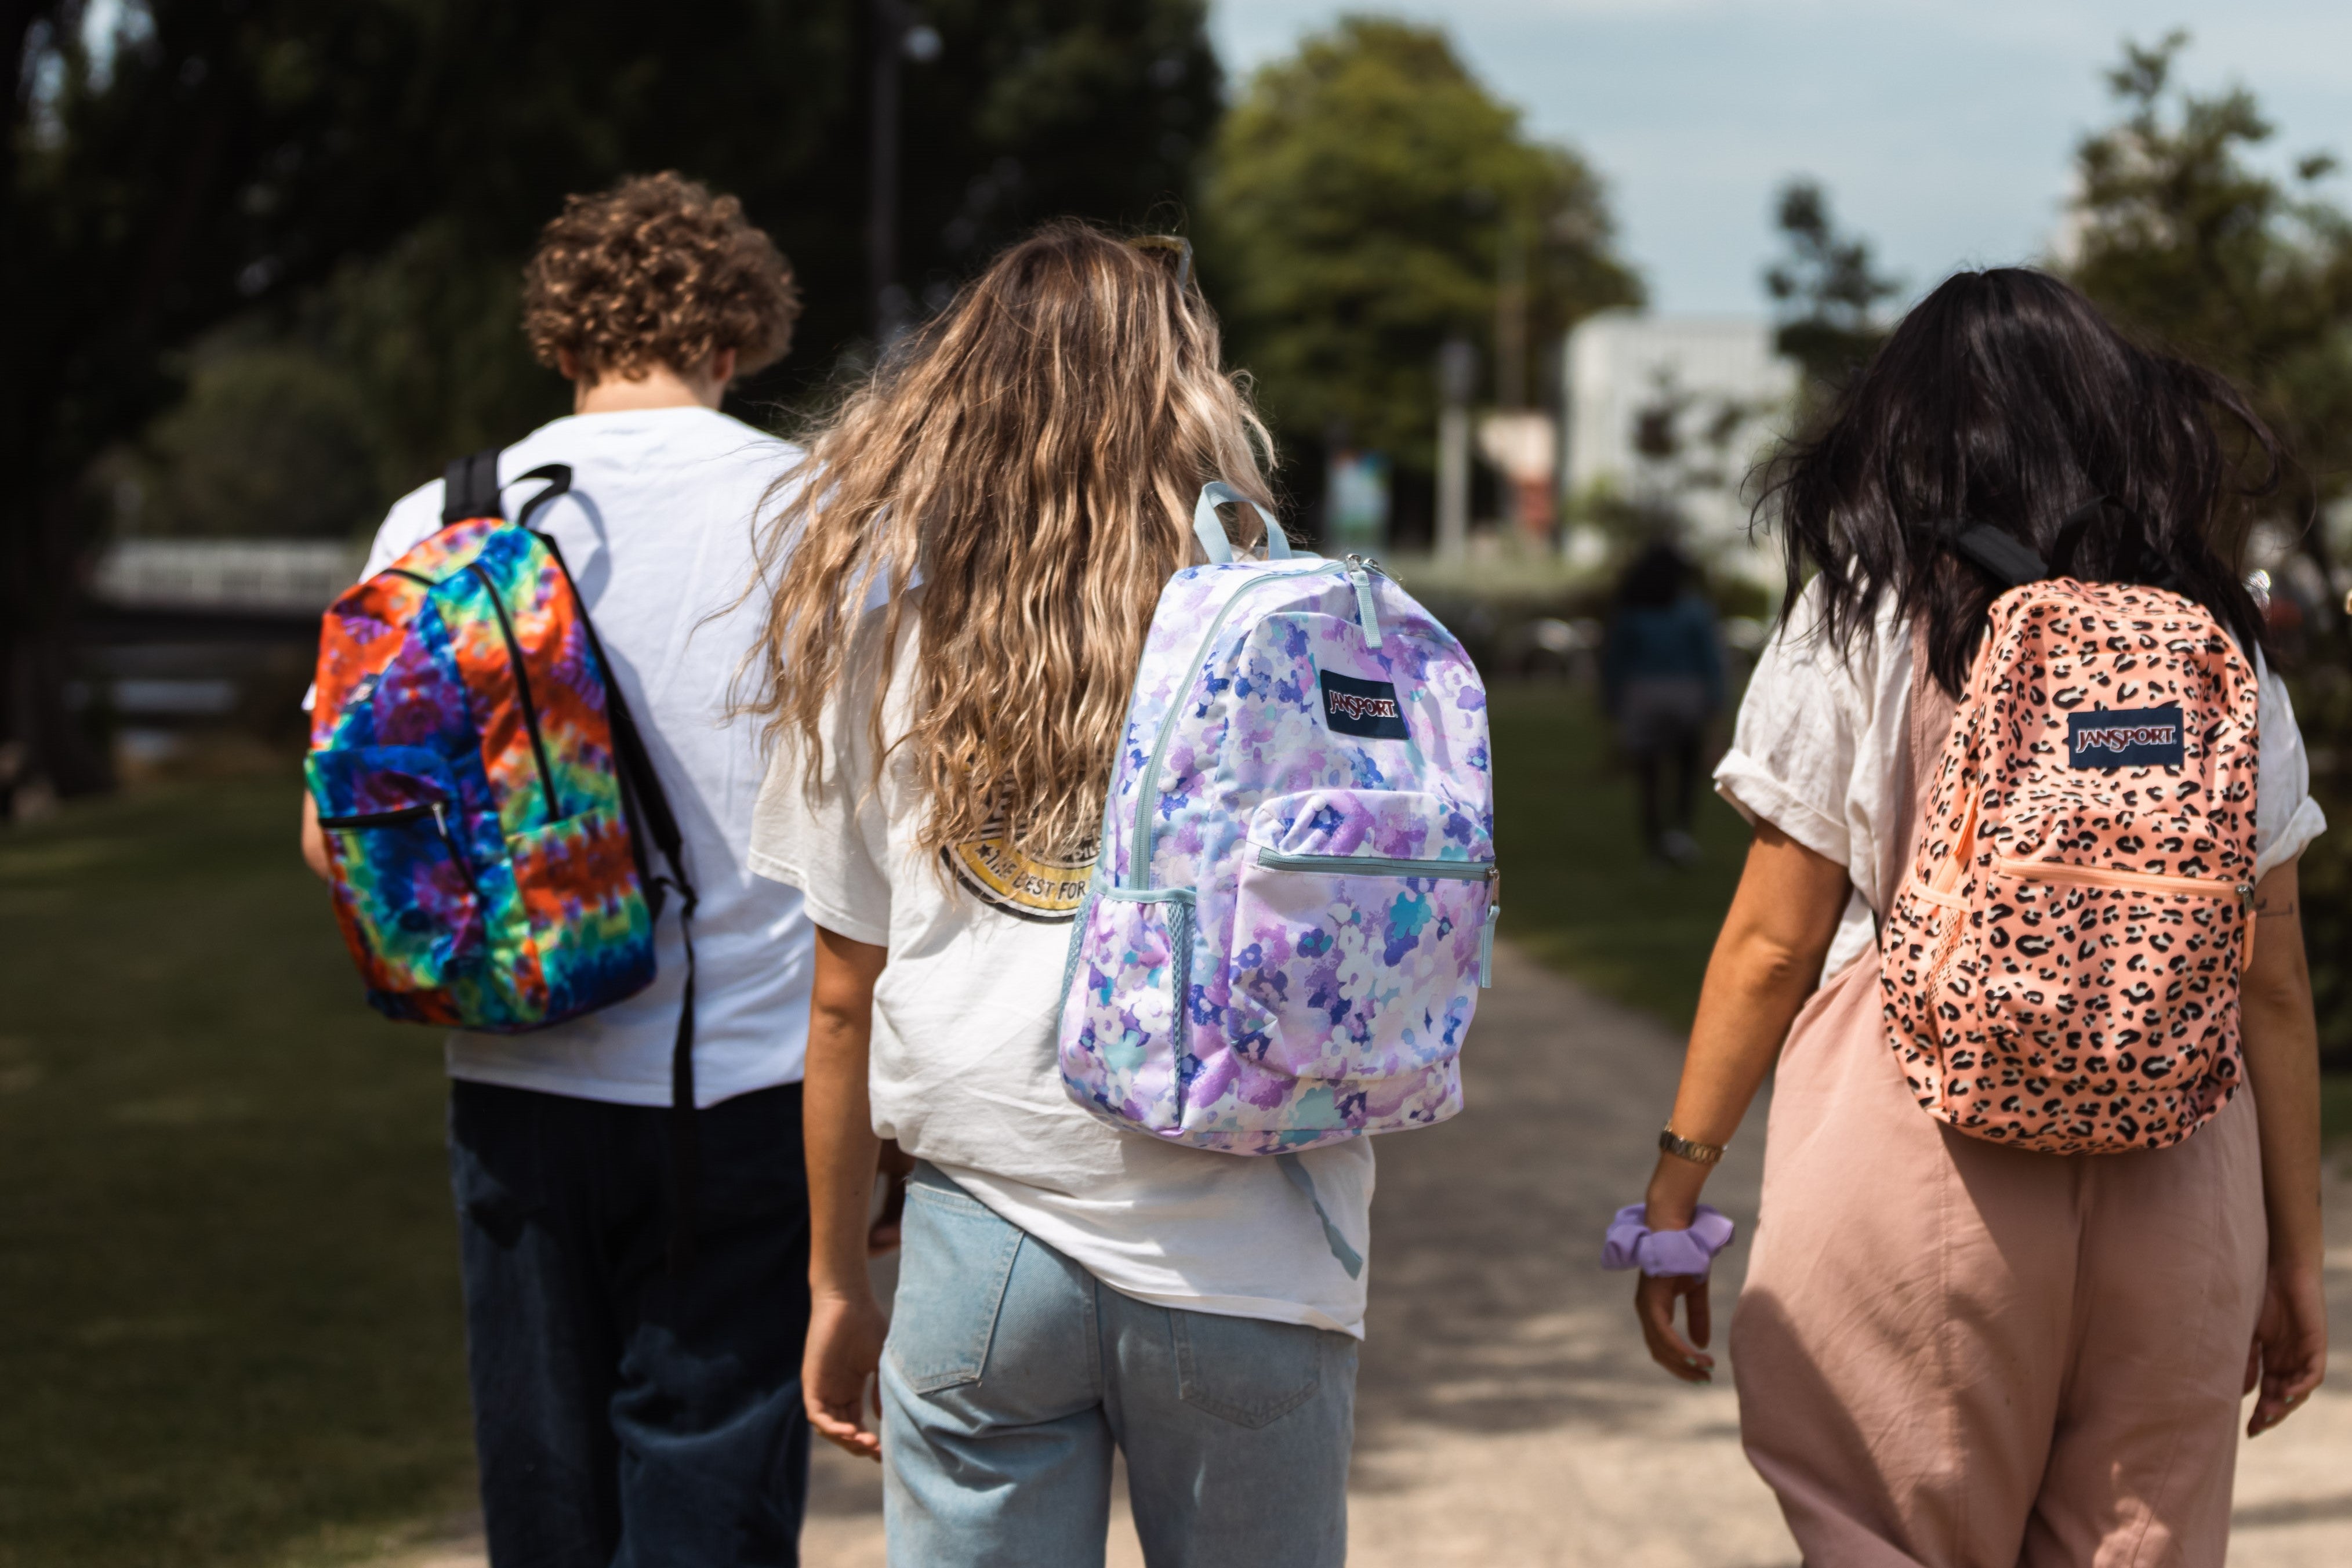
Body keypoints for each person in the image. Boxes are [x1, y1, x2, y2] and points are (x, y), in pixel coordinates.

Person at [1622, 270, 2329, 1566]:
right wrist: (2294, 1254)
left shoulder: (1866, 617)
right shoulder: (2217, 640)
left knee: (1894, 1528)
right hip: (2180, 1151)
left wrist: (1677, 1184)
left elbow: (1775, 941)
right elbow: (2271, 983)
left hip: (1925, 1137)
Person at [744, 223, 1365, 1567]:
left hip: (984, 1241)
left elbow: (841, 999)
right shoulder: (1271, 612)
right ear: (1193, 392)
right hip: (1246, 1241)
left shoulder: (874, 617)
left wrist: (836, 1282)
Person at [300, 172, 818, 1566]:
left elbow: (333, 826)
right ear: (735, 333)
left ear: (565, 334)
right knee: (710, 1484)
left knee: (545, 1508)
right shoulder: (818, 509)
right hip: (745, 1078)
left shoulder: (442, 515)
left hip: (513, 1074)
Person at [1600, 539, 1723, 865]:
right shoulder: (1693, 607)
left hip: (1642, 695)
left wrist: (1611, 701)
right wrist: (1716, 700)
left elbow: (1616, 661)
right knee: (1685, 771)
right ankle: (1681, 834)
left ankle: (1655, 845)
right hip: (1686, 694)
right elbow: (1710, 659)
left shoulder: (1632, 608)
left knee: (1649, 777)